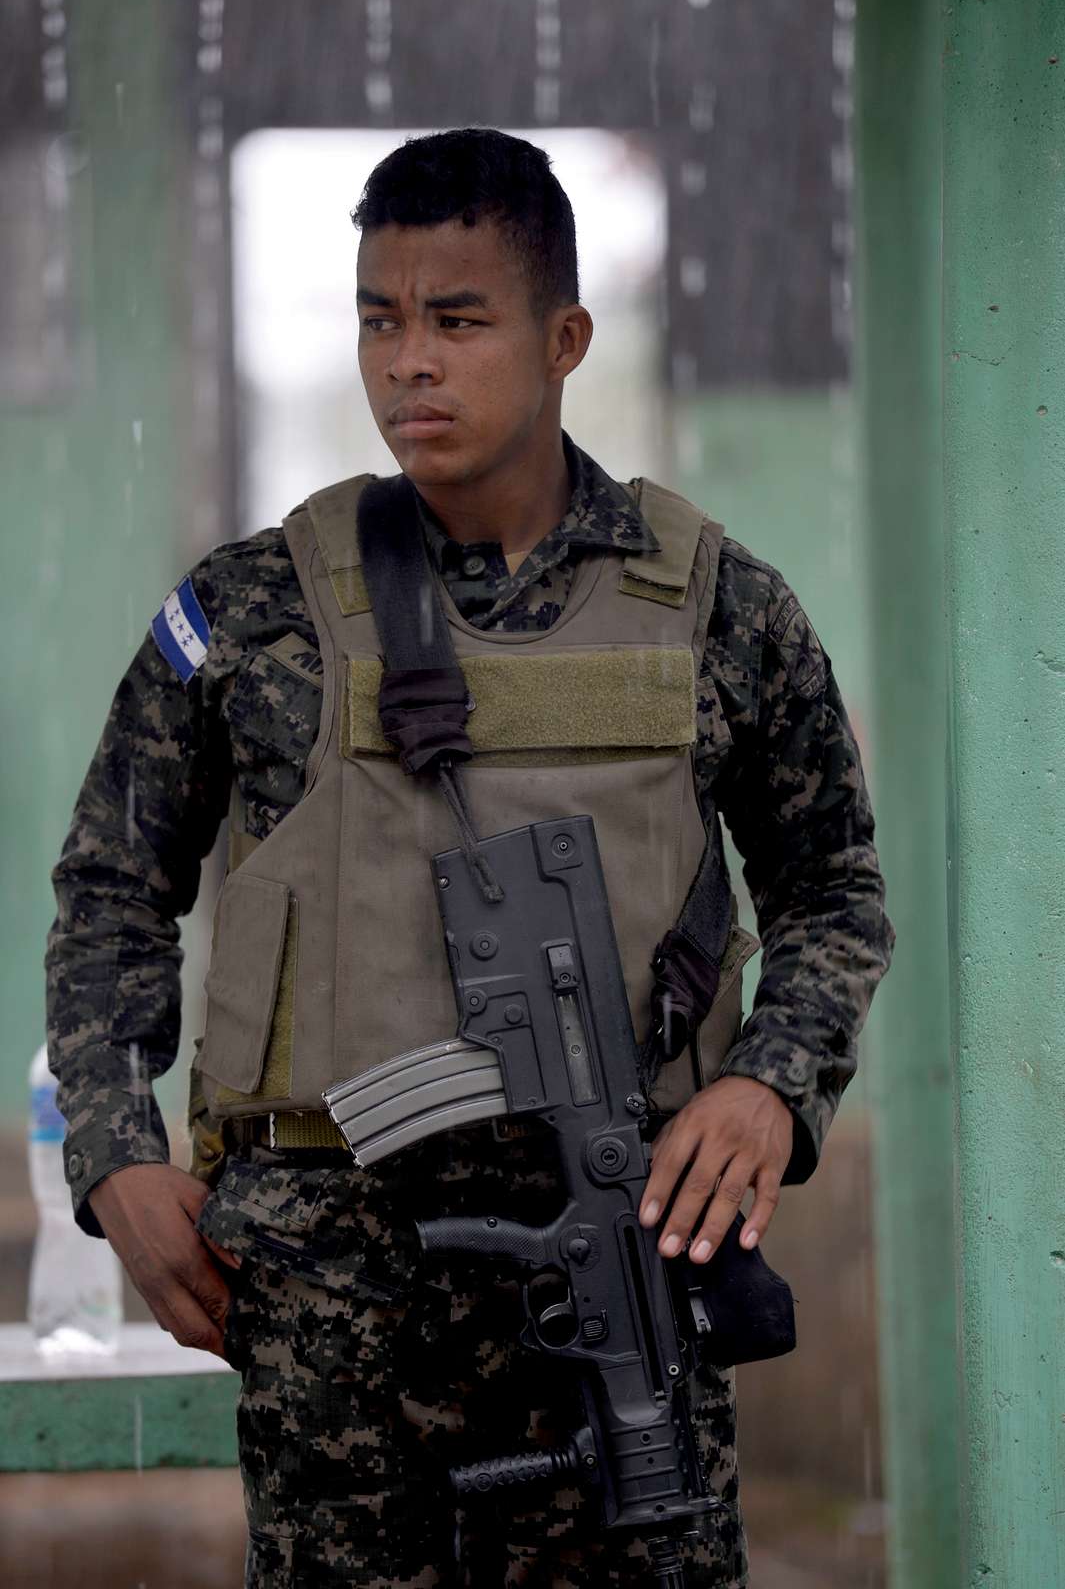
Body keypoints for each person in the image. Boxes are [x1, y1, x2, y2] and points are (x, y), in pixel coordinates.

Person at [46, 128, 893, 1587]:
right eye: (380, 318)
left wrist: (770, 1083)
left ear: (563, 338)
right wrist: (119, 1155)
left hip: (625, 1267)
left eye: (456, 319)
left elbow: (831, 888)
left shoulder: (719, 611)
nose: (408, 364)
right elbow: (113, 890)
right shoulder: (253, 609)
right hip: (328, 1302)